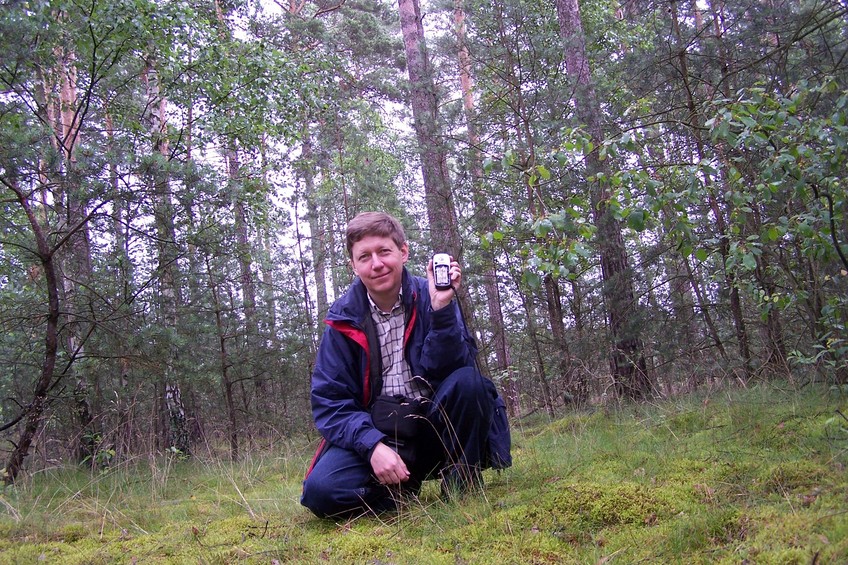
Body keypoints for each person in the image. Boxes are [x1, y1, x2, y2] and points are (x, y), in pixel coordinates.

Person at [301, 211, 510, 518]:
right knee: (321, 493)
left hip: (435, 427)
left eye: (384, 251)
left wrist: (441, 311)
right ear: (354, 266)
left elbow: (459, 375)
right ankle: (398, 493)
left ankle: (461, 481)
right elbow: (330, 403)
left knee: (471, 383)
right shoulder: (342, 320)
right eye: (365, 257)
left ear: (403, 251)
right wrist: (372, 446)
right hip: (382, 434)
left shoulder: (433, 297)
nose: (377, 264)